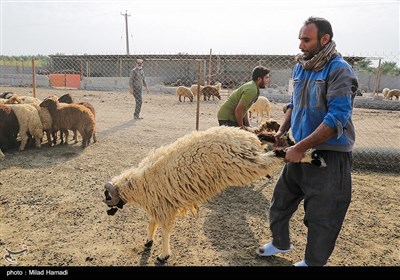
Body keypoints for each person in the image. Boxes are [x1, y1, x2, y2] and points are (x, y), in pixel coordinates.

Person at [256, 17, 358, 266]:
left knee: (322, 215)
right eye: (300, 39)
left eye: (306, 39)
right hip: (297, 150)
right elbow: (294, 104)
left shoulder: (339, 70)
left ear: (325, 39)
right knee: (280, 202)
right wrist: (282, 132)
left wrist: (300, 147)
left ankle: (313, 262)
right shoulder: (301, 66)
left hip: (328, 155)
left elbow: (337, 118)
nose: (301, 45)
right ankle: (280, 243)